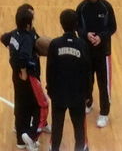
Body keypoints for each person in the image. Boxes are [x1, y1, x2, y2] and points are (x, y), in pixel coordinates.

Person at [0, 3, 47, 151]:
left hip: (17, 75)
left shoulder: (15, 33)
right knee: (39, 104)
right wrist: (24, 70)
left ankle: (20, 137)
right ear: (27, 23)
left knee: (21, 103)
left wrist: (13, 51)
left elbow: (3, 38)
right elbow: (23, 57)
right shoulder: (27, 37)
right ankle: (31, 136)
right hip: (27, 76)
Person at [45, 8, 92, 151]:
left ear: (61, 24)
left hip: (59, 94)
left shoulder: (55, 44)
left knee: (57, 127)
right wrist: (88, 93)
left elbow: (50, 70)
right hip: (77, 95)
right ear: (76, 24)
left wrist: (50, 90)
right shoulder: (82, 45)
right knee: (79, 129)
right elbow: (87, 72)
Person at [76, 0, 116, 128]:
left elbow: (112, 27)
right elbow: (78, 27)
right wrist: (86, 34)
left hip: (103, 52)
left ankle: (104, 113)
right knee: (87, 80)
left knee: (103, 83)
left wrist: (101, 37)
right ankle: (88, 103)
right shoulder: (81, 8)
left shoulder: (106, 7)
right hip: (86, 51)